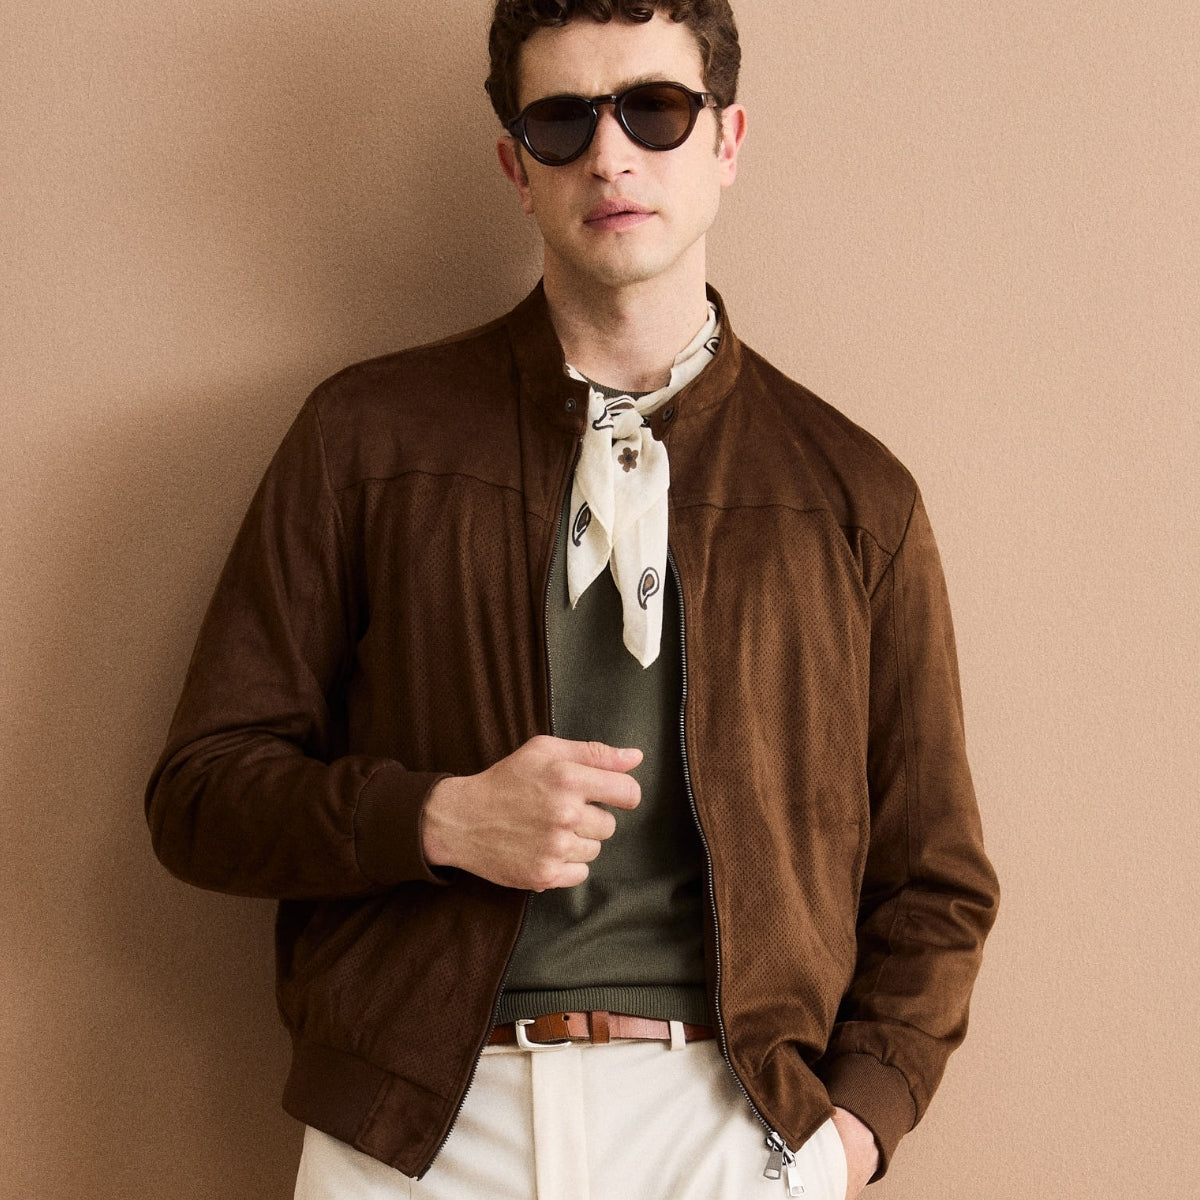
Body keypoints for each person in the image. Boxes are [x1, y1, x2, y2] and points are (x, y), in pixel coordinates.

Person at [146, 2, 999, 1197]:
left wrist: (850, 1138)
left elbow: (935, 880)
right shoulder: (365, 441)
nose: (609, 155)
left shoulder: (854, 497)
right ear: (516, 167)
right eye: (562, 121)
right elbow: (200, 795)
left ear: (727, 140)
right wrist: (440, 819)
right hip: (418, 1132)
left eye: (655, 110)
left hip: (731, 1125)